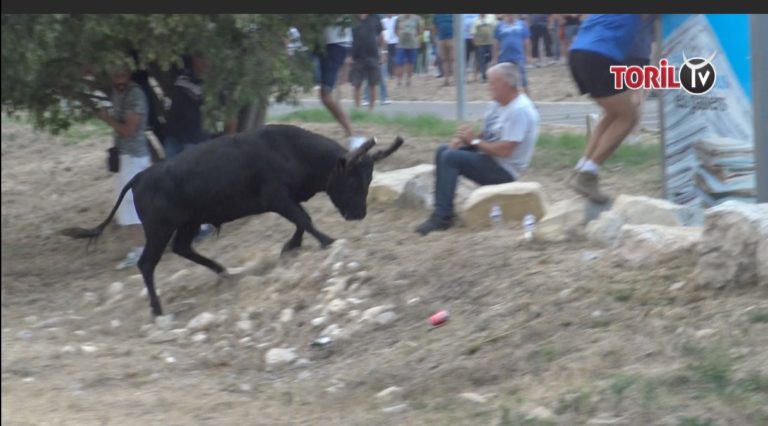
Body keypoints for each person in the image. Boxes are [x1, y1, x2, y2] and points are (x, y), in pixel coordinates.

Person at [415, 62, 540, 236]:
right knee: (443, 151)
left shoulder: (520, 111)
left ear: (506, 84)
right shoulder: (497, 104)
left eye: (492, 83)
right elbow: (488, 135)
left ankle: (442, 217)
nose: (489, 87)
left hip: (505, 170)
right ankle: (442, 207)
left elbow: (506, 151)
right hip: (489, 157)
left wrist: (473, 142)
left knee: (451, 158)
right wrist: (465, 141)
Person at [566, 14, 646, 203]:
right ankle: (588, 174)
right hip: (599, 54)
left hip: (578, 51)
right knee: (629, 117)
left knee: (614, 113)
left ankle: (581, 168)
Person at [96, 62, 152, 269]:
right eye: (115, 77)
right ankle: (141, 248)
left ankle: (141, 251)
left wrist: (106, 119)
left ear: (128, 75)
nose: (118, 81)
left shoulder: (134, 95)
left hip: (134, 157)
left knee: (131, 204)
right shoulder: (119, 92)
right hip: (125, 156)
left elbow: (128, 130)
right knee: (128, 204)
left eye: (122, 76)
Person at [349, 14, 385, 111]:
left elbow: (381, 36)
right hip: (356, 57)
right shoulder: (352, 17)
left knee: (372, 84)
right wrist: (348, 55)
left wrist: (382, 53)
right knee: (357, 85)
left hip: (372, 55)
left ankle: (371, 111)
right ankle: (357, 110)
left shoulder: (375, 17)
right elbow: (347, 37)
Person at [494, 14, 531, 96]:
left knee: (523, 80)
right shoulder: (500, 26)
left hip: (518, 56)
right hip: (504, 57)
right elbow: (496, 42)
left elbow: (526, 41)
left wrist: (528, 55)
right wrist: (495, 57)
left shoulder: (522, 24)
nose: (510, 15)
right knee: (505, 81)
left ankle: (529, 102)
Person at [394, 14, 424, 87]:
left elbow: (420, 30)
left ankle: (408, 80)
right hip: (401, 44)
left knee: (410, 63)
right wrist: (400, 35)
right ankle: (399, 81)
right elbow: (395, 29)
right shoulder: (399, 18)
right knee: (399, 63)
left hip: (412, 44)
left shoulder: (416, 18)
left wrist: (414, 35)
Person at [472, 14, 497, 82]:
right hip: (481, 44)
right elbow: (473, 32)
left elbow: (495, 28)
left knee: (491, 59)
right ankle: (483, 76)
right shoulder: (475, 20)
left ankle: (492, 75)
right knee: (482, 61)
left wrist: (495, 40)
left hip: (490, 42)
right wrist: (475, 42)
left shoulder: (491, 17)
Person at [432, 13, 454, 86]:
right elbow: (434, 27)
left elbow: (458, 26)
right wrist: (435, 39)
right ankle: (446, 79)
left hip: (452, 38)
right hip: (441, 39)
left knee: (452, 59)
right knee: (444, 60)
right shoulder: (436, 15)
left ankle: (453, 79)